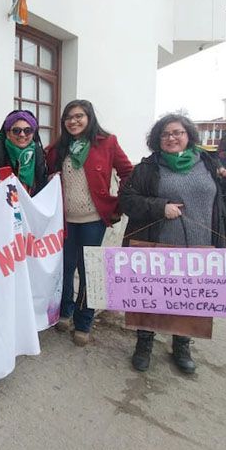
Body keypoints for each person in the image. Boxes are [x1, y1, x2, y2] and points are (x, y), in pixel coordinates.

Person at [119, 113, 226, 374]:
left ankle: (182, 345)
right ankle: (144, 344)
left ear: (189, 135)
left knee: (189, 298)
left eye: (178, 132)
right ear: (157, 139)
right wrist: (160, 207)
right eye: (165, 134)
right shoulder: (148, 168)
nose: (171, 138)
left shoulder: (208, 162)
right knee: (151, 296)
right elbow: (127, 200)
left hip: (200, 246)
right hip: (157, 246)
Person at [45, 100, 133, 346]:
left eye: (79, 116)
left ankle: (84, 321)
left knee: (88, 269)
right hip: (64, 221)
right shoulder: (57, 148)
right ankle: (64, 311)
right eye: (68, 117)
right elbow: (46, 175)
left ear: (89, 117)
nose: (73, 121)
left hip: (93, 220)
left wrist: (117, 205)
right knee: (64, 267)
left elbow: (128, 172)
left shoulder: (107, 143)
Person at [0, 109, 48, 195]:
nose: (22, 135)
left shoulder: (38, 152)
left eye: (27, 130)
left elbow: (42, 182)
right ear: (8, 134)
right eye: (16, 130)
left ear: (33, 134)